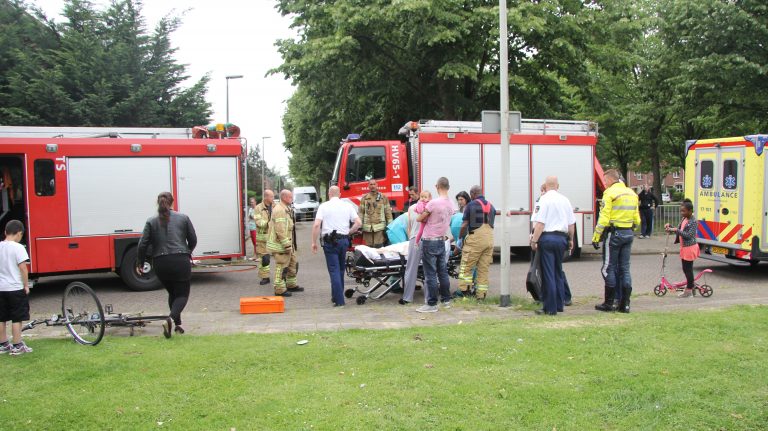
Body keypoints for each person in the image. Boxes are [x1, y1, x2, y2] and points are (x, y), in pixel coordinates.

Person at [137, 192, 197, 336]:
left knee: (173, 293)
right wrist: (187, 252)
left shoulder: (151, 221)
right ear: (172, 202)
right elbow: (193, 239)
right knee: (182, 294)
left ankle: (177, 325)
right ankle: (170, 319)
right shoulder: (183, 218)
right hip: (180, 260)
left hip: (160, 263)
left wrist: (141, 262)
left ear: (158, 203)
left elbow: (142, 244)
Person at [592, 169, 640, 313]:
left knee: (608, 268)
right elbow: (637, 219)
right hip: (628, 233)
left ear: (611, 179)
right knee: (624, 269)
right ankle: (625, 304)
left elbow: (604, 218)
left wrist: (596, 236)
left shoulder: (610, 193)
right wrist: (631, 229)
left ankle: (609, 303)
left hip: (614, 234)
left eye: (605, 181)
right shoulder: (632, 193)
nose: (604, 184)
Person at [530, 177, 575, 315]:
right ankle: (560, 304)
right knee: (558, 272)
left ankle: (550, 308)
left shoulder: (543, 200)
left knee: (548, 273)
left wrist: (534, 240)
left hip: (547, 238)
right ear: (557, 185)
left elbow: (540, 224)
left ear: (546, 186)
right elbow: (571, 224)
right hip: (561, 239)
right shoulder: (565, 200)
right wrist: (571, 240)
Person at [311, 186, 361, 307]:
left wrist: (313, 242)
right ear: (340, 194)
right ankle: (336, 296)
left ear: (329, 194)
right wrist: (349, 232)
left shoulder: (323, 206)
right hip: (344, 240)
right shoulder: (347, 206)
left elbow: (317, 225)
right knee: (340, 270)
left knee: (333, 270)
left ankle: (339, 301)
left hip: (330, 242)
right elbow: (358, 223)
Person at [415, 177, 454, 313]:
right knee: (442, 271)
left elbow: (419, 218)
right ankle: (446, 299)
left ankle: (431, 304)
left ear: (437, 186)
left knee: (430, 273)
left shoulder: (433, 203)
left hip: (429, 240)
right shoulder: (451, 204)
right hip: (441, 240)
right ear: (448, 187)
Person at [456, 185, 495, 300]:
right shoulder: (491, 206)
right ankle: (481, 296)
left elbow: (464, 225)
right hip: (489, 238)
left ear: (472, 194)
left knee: (466, 266)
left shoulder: (471, 205)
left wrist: (460, 238)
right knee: (483, 269)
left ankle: (465, 294)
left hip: (475, 238)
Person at [0, 220, 32, 355]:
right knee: (17, 318)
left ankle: (3, 344)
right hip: (15, 288)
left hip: (1, 288)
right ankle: (17, 345)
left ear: (5, 232)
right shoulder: (18, 247)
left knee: (1, 318)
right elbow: (23, 268)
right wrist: (26, 284)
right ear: (19, 233)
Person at [267, 189, 302, 296]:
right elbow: (280, 229)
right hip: (281, 245)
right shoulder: (280, 210)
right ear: (284, 197)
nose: (292, 199)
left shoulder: (286, 208)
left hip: (288, 244)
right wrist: (286, 244)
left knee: (292, 264)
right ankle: (279, 289)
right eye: (290, 197)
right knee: (281, 266)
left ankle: (291, 285)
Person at [400, 191, 432, 305]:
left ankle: (407, 297)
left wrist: (411, 239)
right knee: (429, 270)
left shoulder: (412, 208)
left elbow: (408, 226)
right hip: (428, 240)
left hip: (414, 240)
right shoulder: (432, 207)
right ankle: (429, 298)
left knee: (410, 269)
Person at [665, 199, 700, 298]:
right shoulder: (684, 219)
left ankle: (688, 291)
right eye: (681, 211)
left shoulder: (693, 222)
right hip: (684, 248)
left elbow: (689, 235)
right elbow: (680, 230)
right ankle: (691, 287)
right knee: (685, 269)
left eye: (684, 211)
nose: (682, 213)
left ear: (690, 211)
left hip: (690, 248)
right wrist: (671, 227)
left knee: (688, 269)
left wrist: (676, 230)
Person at [358, 179, 393, 247]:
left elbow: (388, 212)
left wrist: (390, 226)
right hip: (367, 228)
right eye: (371, 184)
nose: (372, 186)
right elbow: (361, 213)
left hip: (379, 228)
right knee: (369, 248)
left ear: (377, 185)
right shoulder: (364, 198)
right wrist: (359, 226)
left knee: (378, 247)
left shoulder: (383, 197)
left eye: (374, 184)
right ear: (368, 186)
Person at [251, 190, 274, 285]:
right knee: (265, 259)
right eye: (272, 197)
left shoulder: (275, 206)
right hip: (263, 239)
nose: (273, 198)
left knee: (281, 258)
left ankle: (282, 277)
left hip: (274, 237)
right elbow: (258, 222)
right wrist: (269, 223)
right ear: (266, 197)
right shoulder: (258, 208)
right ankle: (265, 277)